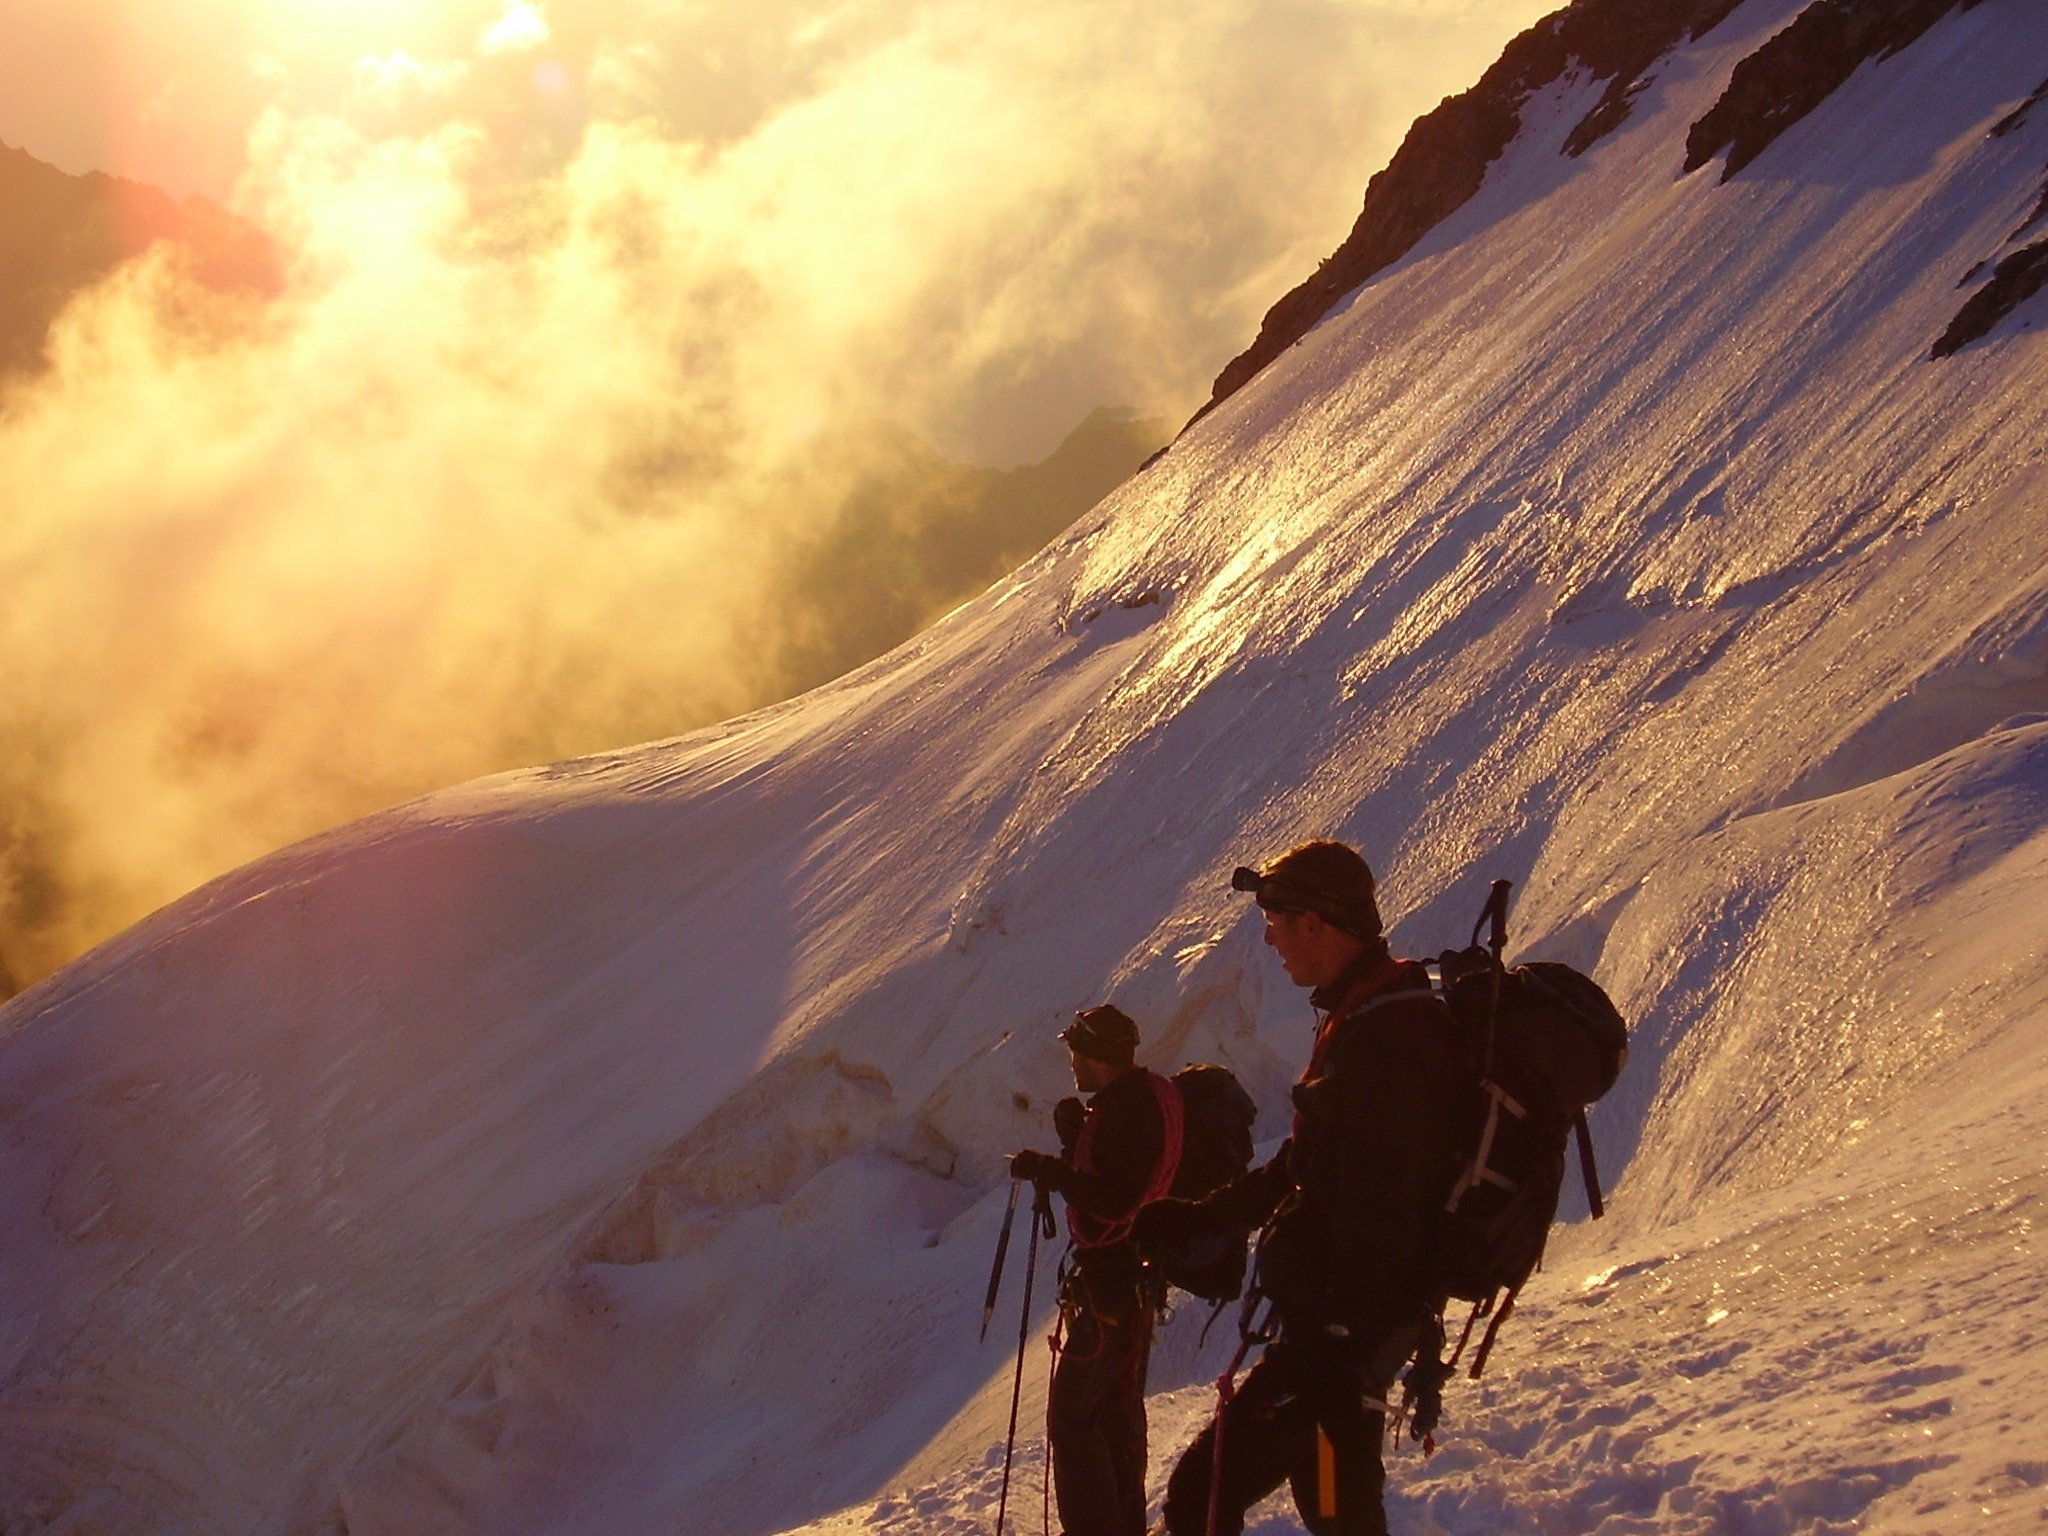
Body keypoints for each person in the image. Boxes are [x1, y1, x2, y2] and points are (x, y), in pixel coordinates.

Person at [1134, 841, 1470, 1536]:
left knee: (1204, 1494)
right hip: (1352, 1327)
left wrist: (1338, 1343)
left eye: (1278, 922)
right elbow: (1307, 1162)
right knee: (1338, 1511)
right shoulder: (1374, 1012)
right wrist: (1201, 1217)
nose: (1268, 938)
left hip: (1340, 1335)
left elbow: (1384, 1191)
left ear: (1315, 924)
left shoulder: (1386, 1035)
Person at [1009, 1004, 1184, 1536]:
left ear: (1096, 1056)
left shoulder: (1127, 1115)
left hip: (1112, 1287)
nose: (1072, 1063)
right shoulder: (1133, 1102)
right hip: (1130, 1282)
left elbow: (1113, 1201)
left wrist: (1053, 1170)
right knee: (1113, 1414)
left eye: (1076, 1053)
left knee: (1074, 1418)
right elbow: (1115, 1181)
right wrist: (1071, 1145)